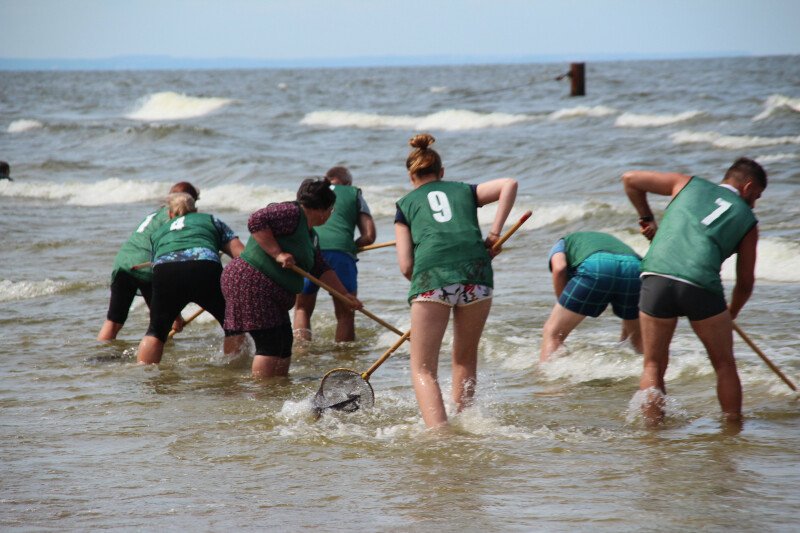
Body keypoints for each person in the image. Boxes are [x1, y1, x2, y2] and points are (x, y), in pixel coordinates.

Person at [622, 157, 767, 424]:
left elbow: (630, 179)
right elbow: (745, 281)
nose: (754, 203)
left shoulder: (684, 183)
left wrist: (647, 218)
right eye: (756, 196)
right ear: (747, 188)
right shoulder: (748, 219)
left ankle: (653, 436)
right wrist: (730, 313)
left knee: (653, 364)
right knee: (724, 365)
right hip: (701, 284)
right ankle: (732, 430)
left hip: (656, 275)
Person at [394, 133, 517, 428]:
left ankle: (440, 434)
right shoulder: (465, 190)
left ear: (411, 175)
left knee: (423, 369)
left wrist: (423, 286)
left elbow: (406, 265)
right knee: (464, 360)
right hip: (477, 276)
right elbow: (508, 184)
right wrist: (495, 234)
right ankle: (466, 421)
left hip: (432, 278)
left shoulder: (405, 205)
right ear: (442, 172)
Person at [221, 178, 362, 379]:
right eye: (331, 210)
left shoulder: (311, 235)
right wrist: (277, 253)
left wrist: (345, 295)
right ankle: (262, 396)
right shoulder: (292, 212)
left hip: (271, 292)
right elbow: (256, 220)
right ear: (324, 208)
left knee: (284, 344)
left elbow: (321, 268)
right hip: (251, 282)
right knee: (269, 344)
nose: (331, 215)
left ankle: (277, 392)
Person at [136, 192, 244, 364]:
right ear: (196, 210)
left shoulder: (158, 232)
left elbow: (156, 263)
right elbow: (241, 255)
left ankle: (144, 375)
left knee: (156, 331)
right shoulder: (210, 220)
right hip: (204, 268)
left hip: (165, 271)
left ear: (170, 214)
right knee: (234, 325)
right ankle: (233, 371)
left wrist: (175, 316)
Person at [98, 182, 199, 341]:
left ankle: (98, 356)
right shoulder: (178, 218)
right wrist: (177, 317)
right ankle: (156, 359)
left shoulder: (154, 214)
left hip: (123, 262)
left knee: (114, 320)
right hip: (146, 266)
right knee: (161, 322)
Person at [293, 166, 376, 342]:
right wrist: (351, 246)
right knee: (346, 312)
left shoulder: (310, 193)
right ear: (347, 182)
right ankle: (343, 359)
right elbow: (369, 236)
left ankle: (302, 352)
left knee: (302, 308)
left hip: (307, 250)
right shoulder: (353, 192)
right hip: (340, 253)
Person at [540, 232, 643, 362]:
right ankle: (646, 377)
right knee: (635, 340)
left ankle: (547, 378)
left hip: (597, 266)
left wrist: (564, 305)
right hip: (635, 268)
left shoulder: (561, 244)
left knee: (552, 333)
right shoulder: (605, 241)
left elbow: (560, 269)